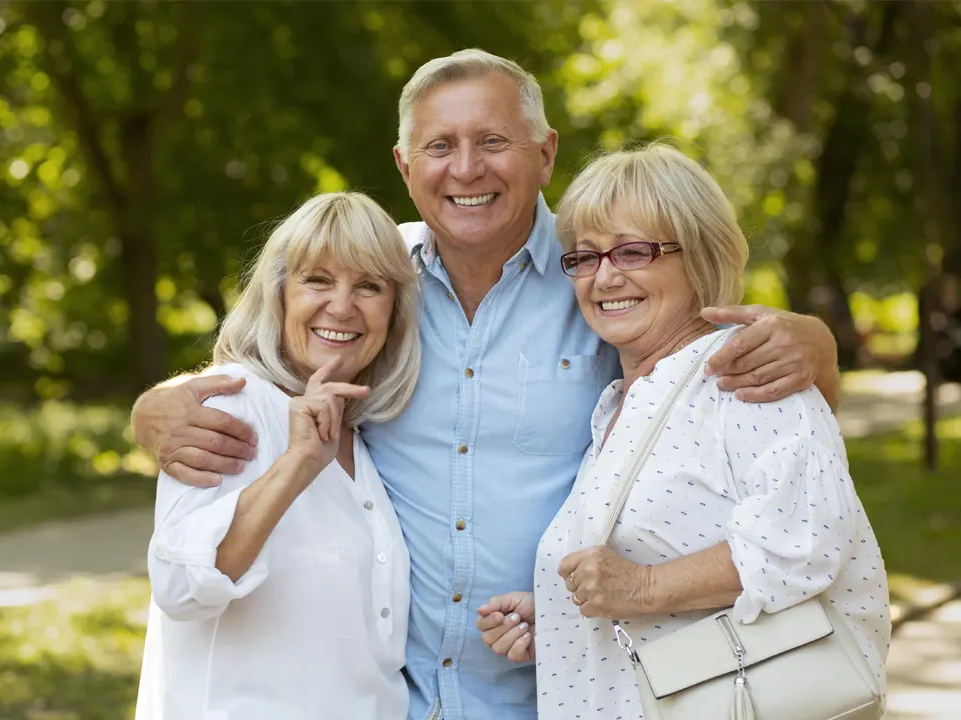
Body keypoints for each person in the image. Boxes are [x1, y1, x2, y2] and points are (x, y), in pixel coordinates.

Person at [132, 49, 842, 719]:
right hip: (393, 697)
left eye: (493, 141)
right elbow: (274, 365)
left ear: (546, 153)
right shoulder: (376, 285)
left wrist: (820, 349)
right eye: (440, 146)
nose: (466, 169)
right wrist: (150, 411)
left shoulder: (601, 276)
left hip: (558, 692)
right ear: (406, 165)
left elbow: (749, 431)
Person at [476, 143, 890, 716]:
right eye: (585, 257)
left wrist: (642, 588)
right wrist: (558, 611)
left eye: (633, 251)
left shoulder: (742, 374)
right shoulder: (624, 404)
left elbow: (806, 545)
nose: (605, 277)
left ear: (699, 257)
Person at [135, 191, 422, 719]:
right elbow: (180, 585)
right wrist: (295, 465)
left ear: (395, 312)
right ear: (279, 294)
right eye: (318, 280)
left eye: (369, 286)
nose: (342, 306)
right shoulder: (232, 403)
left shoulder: (366, 438)